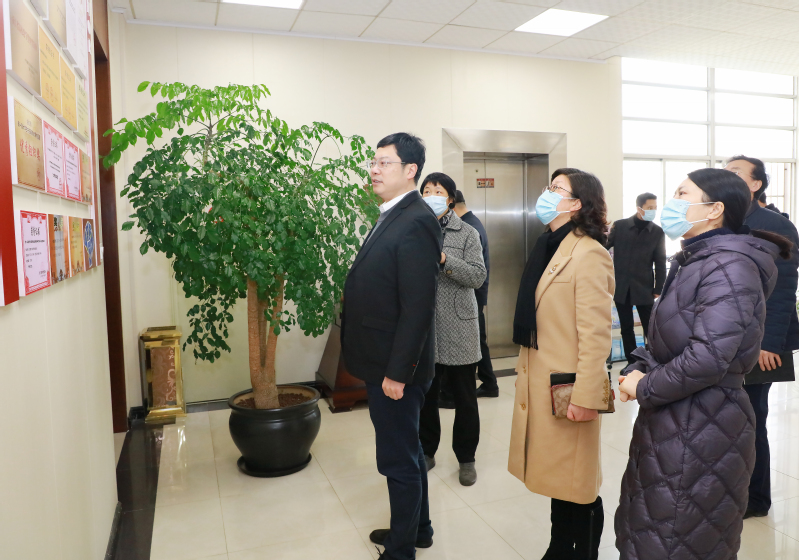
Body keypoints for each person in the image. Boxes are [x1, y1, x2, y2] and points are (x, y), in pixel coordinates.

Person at [615, 168, 791, 560]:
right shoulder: (697, 259)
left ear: (714, 210)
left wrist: (645, 386)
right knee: (654, 530)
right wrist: (635, 368)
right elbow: (664, 339)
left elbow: (709, 357)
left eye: (682, 194)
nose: (672, 202)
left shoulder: (729, 266)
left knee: (676, 537)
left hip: (702, 424)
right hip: (677, 419)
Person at [341, 133, 442, 560]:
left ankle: (401, 551)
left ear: (410, 170)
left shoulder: (416, 219)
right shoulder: (393, 213)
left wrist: (398, 373)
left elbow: (417, 308)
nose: (374, 170)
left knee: (397, 459)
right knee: (409, 450)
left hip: (395, 368)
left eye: (385, 163)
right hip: (383, 359)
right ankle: (418, 529)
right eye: (373, 162)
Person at [508, 168, 614, 560]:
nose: (547, 194)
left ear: (576, 203)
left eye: (556, 189)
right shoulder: (549, 246)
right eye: (548, 187)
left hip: (570, 391)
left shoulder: (589, 253)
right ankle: (558, 549)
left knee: (577, 484)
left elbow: (596, 335)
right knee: (560, 480)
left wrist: (587, 396)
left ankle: (581, 552)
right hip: (544, 384)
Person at [725, 155, 799, 518]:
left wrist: (769, 343)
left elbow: (783, 290)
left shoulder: (774, 224)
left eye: (736, 172)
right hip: (725, 337)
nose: (727, 177)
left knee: (751, 419)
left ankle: (755, 499)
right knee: (727, 420)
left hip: (760, 341)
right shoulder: (724, 220)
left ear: (756, 185)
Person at [418, 173, 486, 486]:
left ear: (449, 199)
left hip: (460, 326)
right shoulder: (415, 230)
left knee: (465, 398)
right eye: (426, 190)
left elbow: (478, 276)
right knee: (426, 397)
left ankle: (466, 458)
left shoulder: (468, 232)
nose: (432, 195)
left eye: (438, 191)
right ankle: (427, 451)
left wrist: (446, 260)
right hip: (425, 326)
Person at [606, 193, 666, 365]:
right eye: (649, 208)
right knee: (626, 328)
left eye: (655, 208)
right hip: (622, 287)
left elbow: (660, 262)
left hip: (645, 288)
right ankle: (632, 363)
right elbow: (604, 247)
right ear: (639, 208)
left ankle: (654, 361)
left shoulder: (657, 232)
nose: (653, 211)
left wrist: (658, 288)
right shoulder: (620, 226)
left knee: (650, 328)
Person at [453, 189, 497, 398]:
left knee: (476, 341)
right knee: (479, 339)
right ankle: (489, 383)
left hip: (473, 293)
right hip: (476, 292)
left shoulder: (469, 228)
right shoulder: (472, 222)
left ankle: (488, 384)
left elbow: (472, 269)